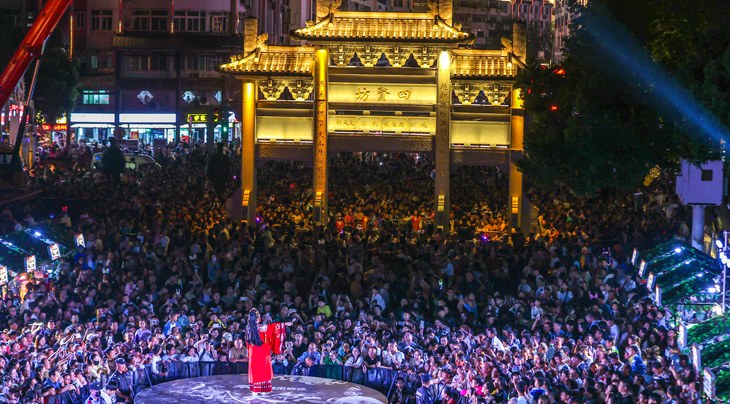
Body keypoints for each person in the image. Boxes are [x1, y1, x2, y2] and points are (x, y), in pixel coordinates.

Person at [246, 308, 290, 395]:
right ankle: (263, 389)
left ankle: (256, 389)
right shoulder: (262, 327)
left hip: (254, 352)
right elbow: (274, 327)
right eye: (258, 316)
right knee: (263, 369)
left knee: (256, 369)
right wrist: (284, 324)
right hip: (262, 351)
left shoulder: (248, 328)